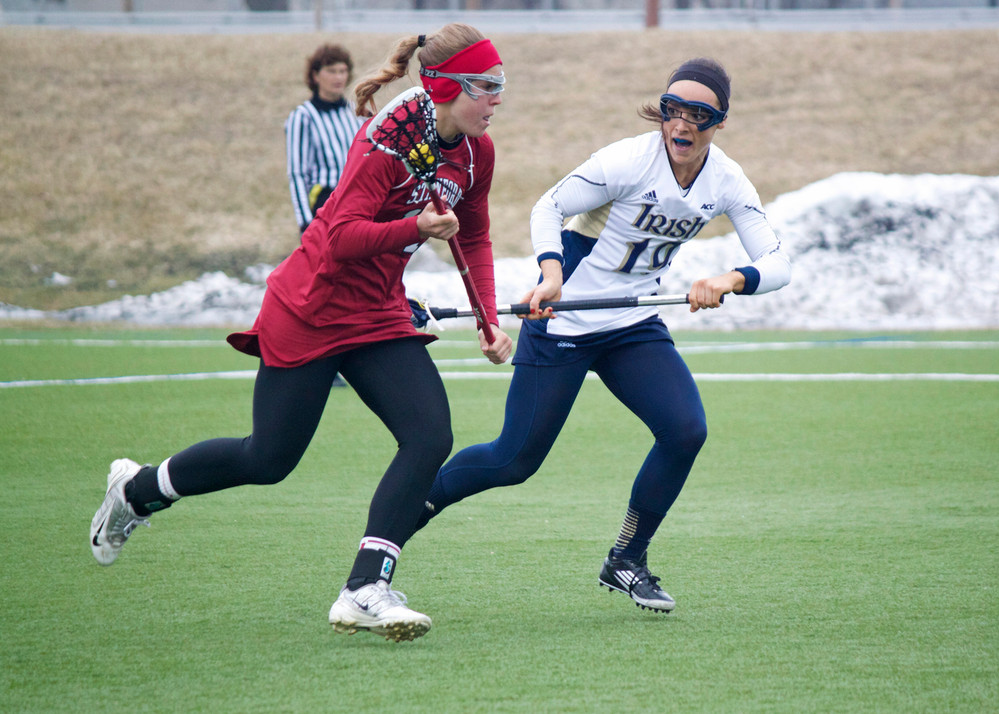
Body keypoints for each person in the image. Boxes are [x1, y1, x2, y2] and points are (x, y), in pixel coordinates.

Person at [89, 23, 514, 643]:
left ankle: (365, 588)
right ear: (448, 86)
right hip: (312, 304)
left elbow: (471, 232)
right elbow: (340, 236)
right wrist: (414, 230)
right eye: (487, 86)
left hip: (376, 311)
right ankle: (137, 488)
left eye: (503, 84)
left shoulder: (477, 150)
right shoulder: (385, 140)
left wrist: (487, 317)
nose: (498, 98)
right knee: (268, 459)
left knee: (429, 435)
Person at [413, 58, 791, 613]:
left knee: (685, 430)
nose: (681, 126)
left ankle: (627, 560)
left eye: (697, 116)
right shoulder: (627, 161)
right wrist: (550, 273)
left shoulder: (726, 182)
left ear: (719, 123)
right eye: (672, 112)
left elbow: (778, 262)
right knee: (512, 461)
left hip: (632, 325)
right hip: (561, 319)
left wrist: (731, 279)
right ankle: (399, 518)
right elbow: (550, 206)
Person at [285, 42, 364, 235]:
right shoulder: (303, 116)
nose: (338, 77)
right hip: (327, 203)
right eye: (331, 71)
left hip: (361, 201)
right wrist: (306, 224)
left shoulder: (357, 111)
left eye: (343, 71)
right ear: (315, 75)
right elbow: (297, 175)